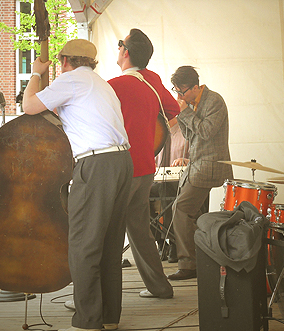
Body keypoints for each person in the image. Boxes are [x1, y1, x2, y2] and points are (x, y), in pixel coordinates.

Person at [22, 39, 133, 331]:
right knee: (109, 245)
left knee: (83, 245)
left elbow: (29, 105)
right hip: (122, 162)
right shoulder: (100, 83)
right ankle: (108, 317)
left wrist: (36, 73)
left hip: (96, 165)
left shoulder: (71, 80)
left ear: (65, 60)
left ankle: (87, 322)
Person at [107, 28, 179, 299]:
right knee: (139, 230)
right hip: (146, 165)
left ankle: (97, 297)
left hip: (122, 167)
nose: (118, 49)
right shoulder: (152, 79)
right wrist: (152, 137)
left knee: (107, 231)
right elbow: (174, 111)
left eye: (119, 45)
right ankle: (160, 288)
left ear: (125, 52)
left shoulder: (114, 85)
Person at [167, 66, 233, 281]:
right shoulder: (192, 103)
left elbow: (205, 132)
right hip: (197, 164)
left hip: (210, 164)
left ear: (196, 86)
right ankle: (204, 255)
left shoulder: (214, 101)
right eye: (176, 91)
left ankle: (189, 264)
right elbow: (188, 134)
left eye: (182, 91)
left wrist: (185, 112)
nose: (179, 96)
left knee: (182, 209)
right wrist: (182, 113)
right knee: (191, 212)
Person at [151, 117, 189, 263]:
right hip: (158, 180)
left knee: (167, 191)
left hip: (179, 182)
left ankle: (173, 241)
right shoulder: (156, 132)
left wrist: (186, 161)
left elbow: (197, 158)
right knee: (139, 195)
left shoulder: (186, 131)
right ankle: (159, 241)